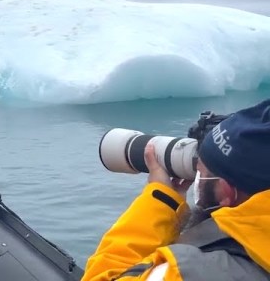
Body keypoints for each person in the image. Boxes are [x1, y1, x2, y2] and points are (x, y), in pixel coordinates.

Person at [82, 99, 270, 280]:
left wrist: (161, 201)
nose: (196, 176)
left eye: (199, 171)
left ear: (226, 193)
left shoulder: (194, 272)